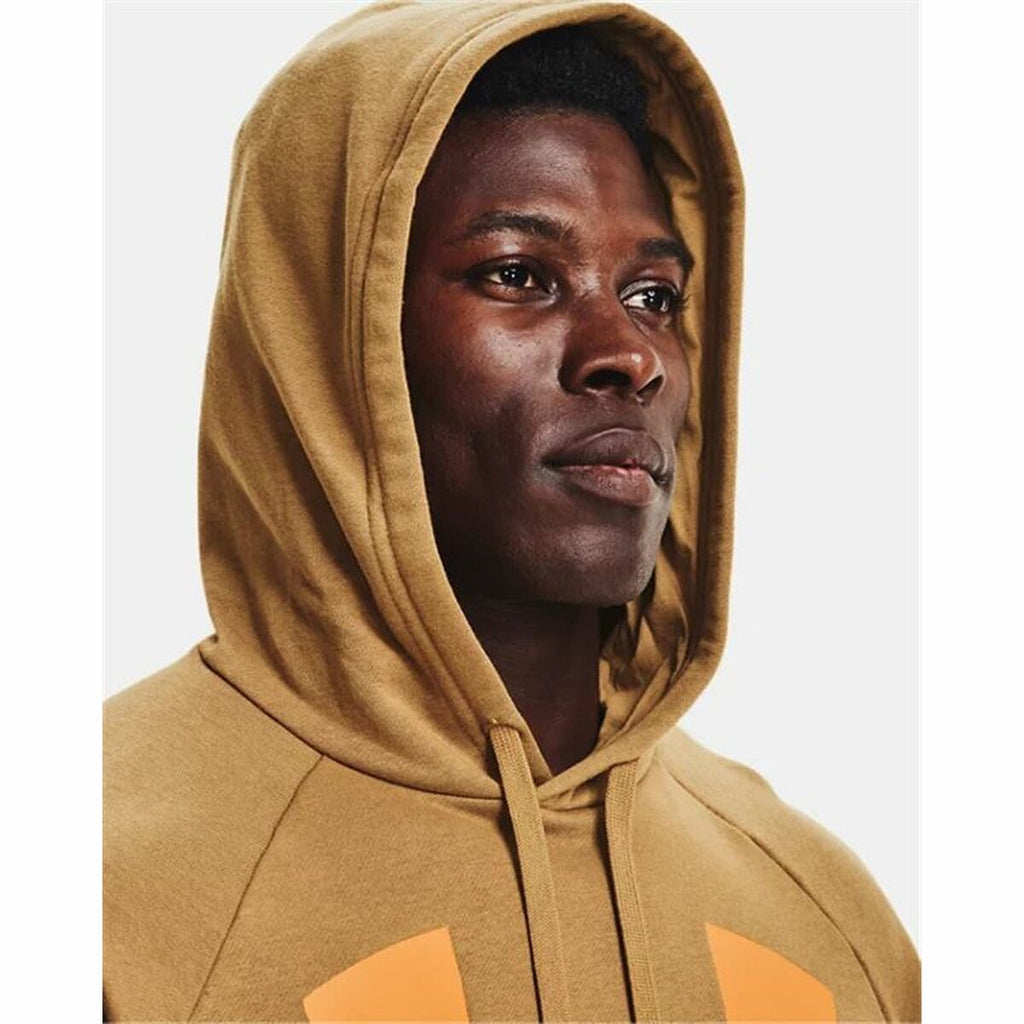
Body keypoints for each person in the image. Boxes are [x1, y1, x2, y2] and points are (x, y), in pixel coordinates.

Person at [103, 2, 921, 1021]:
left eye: (654, 295)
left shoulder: (822, 915)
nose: (628, 354)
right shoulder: (98, 893)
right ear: (322, 337)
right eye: (518, 275)